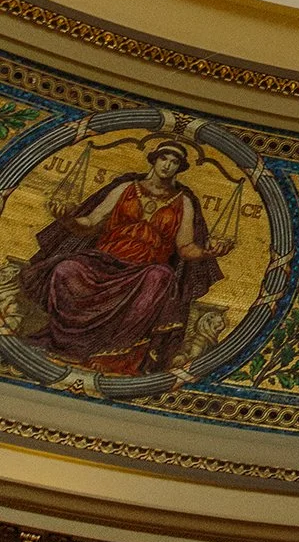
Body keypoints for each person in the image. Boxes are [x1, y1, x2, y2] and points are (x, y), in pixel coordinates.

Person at [14, 141, 221, 376]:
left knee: (161, 276)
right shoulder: (125, 188)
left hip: (144, 269)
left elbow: (185, 247)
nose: (168, 166)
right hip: (105, 261)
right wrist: (68, 220)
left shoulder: (183, 202)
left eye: (174, 163)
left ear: (179, 168)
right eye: (165, 159)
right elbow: (91, 222)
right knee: (66, 268)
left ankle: (114, 354)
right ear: (154, 160)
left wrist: (208, 252)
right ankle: (68, 342)